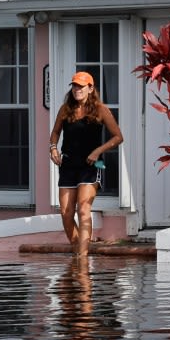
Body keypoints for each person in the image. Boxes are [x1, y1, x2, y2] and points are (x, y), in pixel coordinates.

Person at [48, 71, 123, 256]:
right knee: (66, 213)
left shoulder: (100, 109)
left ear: (90, 88)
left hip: (90, 166)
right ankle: (80, 254)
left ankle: (81, 259)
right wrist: (53, 148)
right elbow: (55, 132)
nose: (77, 89)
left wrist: (97, 151)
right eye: (74, 86)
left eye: (81, 86)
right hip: (68, 165)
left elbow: (118, 137)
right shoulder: (65, 109)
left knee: (83, 209)